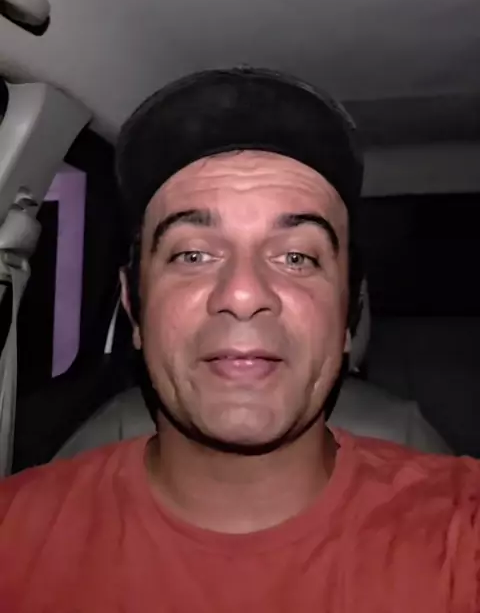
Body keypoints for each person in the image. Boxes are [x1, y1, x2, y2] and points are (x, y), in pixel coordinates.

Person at [0, 67, 478, 612]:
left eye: (296, 257)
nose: (244, 294)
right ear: (134, 309)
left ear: (348, 316)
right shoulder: (14, 540)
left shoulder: (462, 531)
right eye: (192, 254)